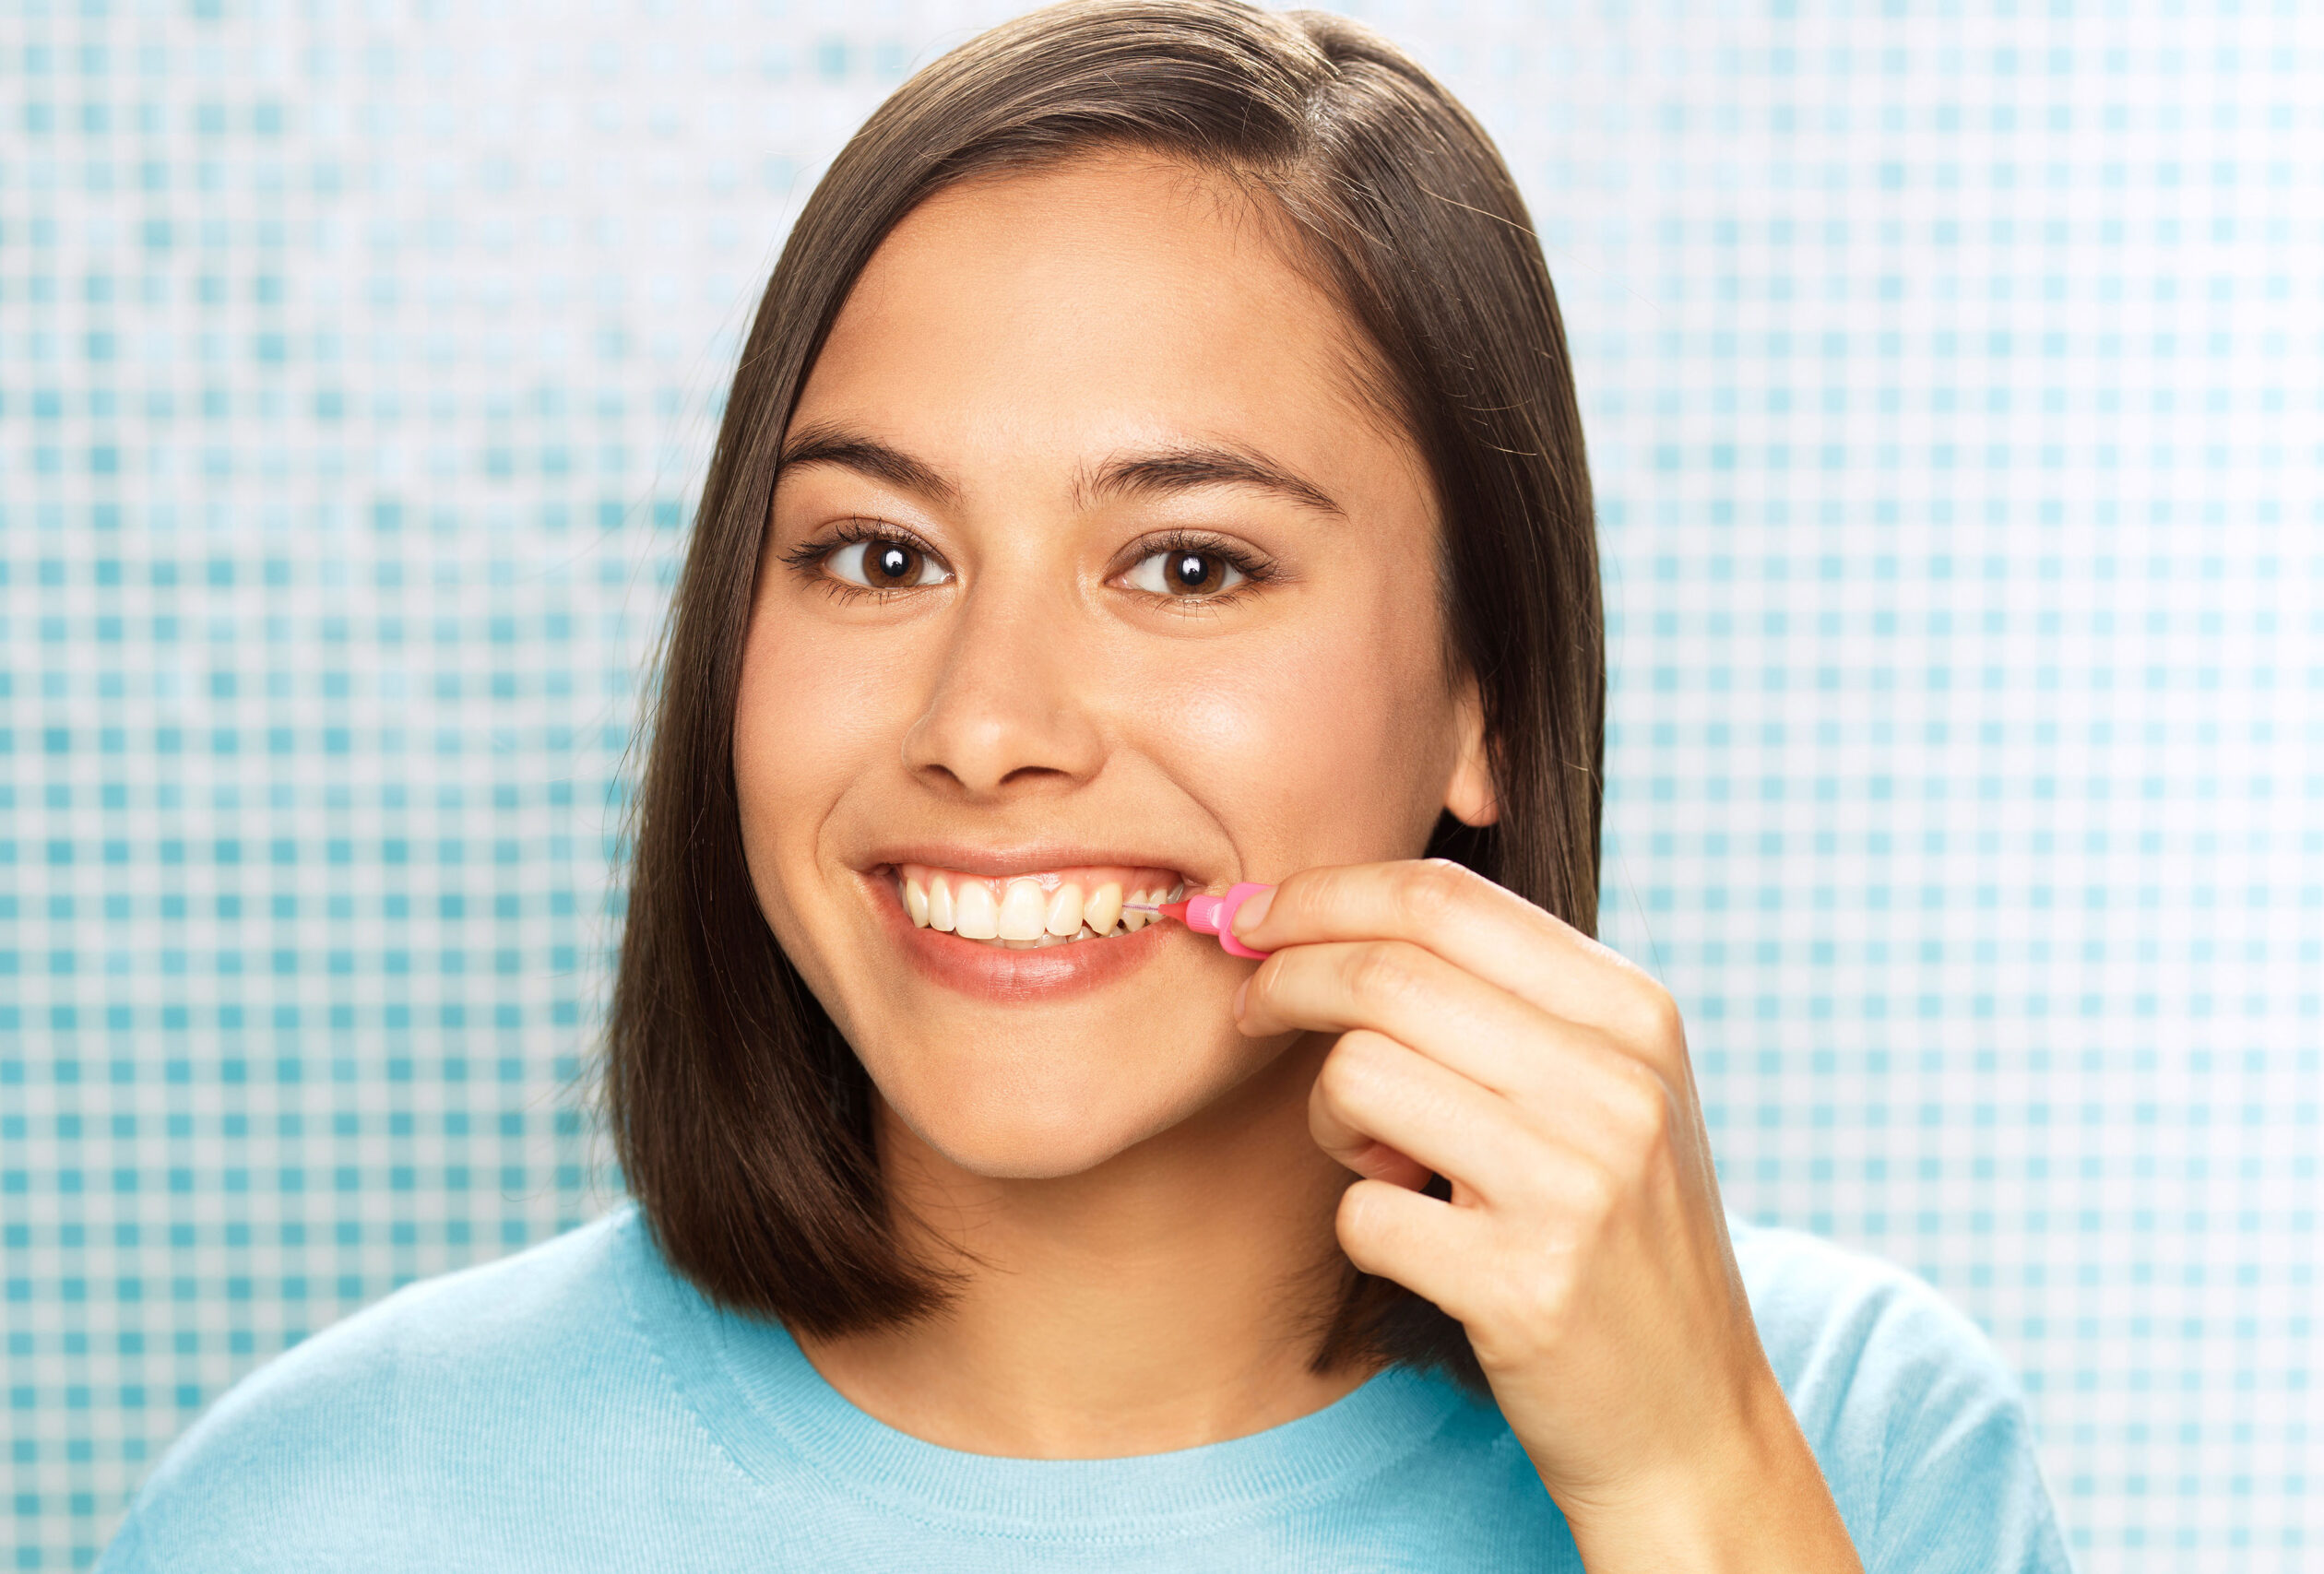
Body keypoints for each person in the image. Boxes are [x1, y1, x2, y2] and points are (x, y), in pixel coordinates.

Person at [99, 2, 2075, 1568]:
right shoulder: (322, 1513)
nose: (987, 725)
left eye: (1189, 565)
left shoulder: (1841, 1438)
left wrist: (1689, 1483)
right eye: (878, 555)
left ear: (1487, 692)